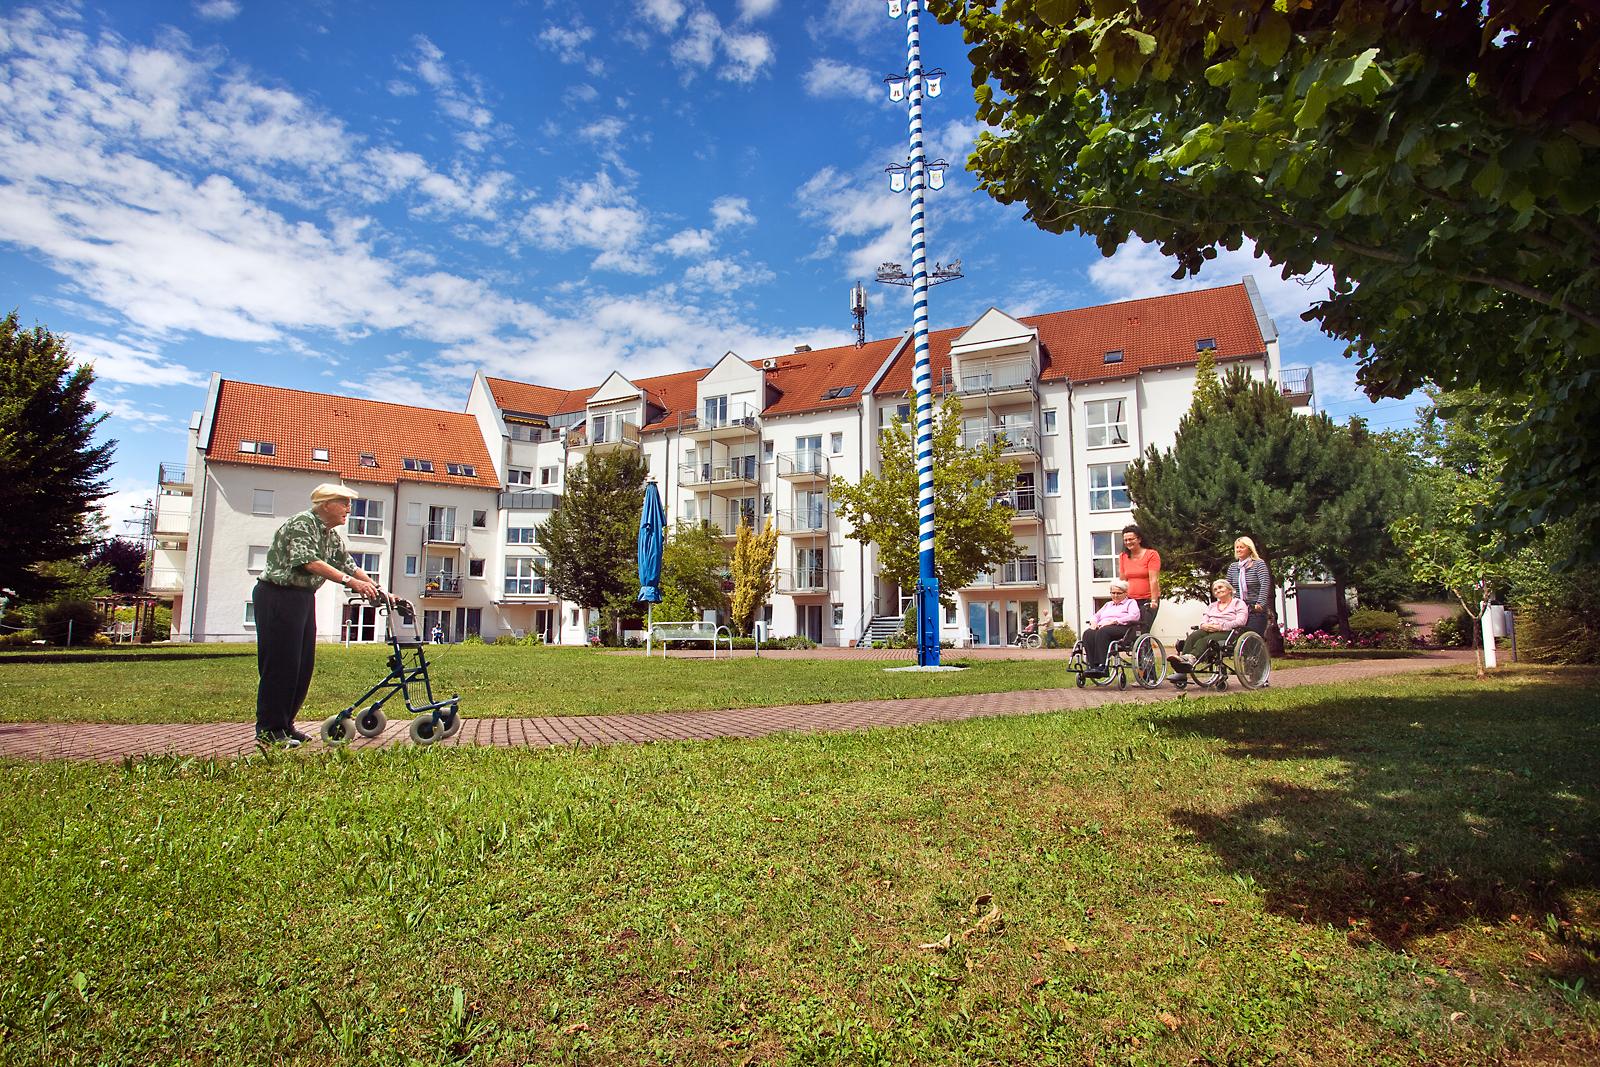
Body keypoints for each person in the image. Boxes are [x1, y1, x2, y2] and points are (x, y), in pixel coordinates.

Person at [253, 483, 383, 747]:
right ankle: (269, 729)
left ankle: (285, 724)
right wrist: (351, 582)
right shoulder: (303, 523)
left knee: (301, 666)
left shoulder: (329, 535)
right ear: (326, 504)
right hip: (277, 595)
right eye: (344, 503)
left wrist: (380, 590)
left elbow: (349, 565)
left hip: (301, 598)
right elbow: (309, 562)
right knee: (280, 664)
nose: (349, 509)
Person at [1169, 578, 1248, 671]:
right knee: (1193, 637)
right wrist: (1204, 625)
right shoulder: (1212, 606)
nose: (1218, 590)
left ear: (1229, 589)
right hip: (1209, 629)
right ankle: (1181, 664)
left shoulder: (1238, 603)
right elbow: (1204, 620)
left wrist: (1221, 626)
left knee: (1204, 641)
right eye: (1215, 589)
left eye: (1220, 587)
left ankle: (1190, 659)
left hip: (1228, 632)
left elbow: (1241, 621)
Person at [1080, 579, 1142, 676]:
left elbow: (1134, 616)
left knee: (1103, 632)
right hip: (1104, 628)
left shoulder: (1130, 603)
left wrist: (1114, 621)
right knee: (1088, 633)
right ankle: (1092, 666)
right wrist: (1093, 623)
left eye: (1118, 593)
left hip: (1122, 628)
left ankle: (1102, 666)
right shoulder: (1108, 604)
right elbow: (1096, 615)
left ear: (1125, 593)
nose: (1115, 595)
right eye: (1113, 593)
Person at [1226, 536, 1273, 638]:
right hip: (1238, 607)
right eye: (1237, 547)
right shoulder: (1233, 567)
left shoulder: (1258, 564)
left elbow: (1265, 583)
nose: (1238, 550)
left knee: (1252, 637)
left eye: (1241, 547)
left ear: (1249, 549)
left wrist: (1260, 603)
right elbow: (1227, 588)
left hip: (1254, 607)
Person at [1118, 525, 1162, 632]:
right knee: (1131, 631)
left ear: (1139, 539)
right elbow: (1123, 581)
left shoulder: (1151, 555)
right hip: (1130, 600)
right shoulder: (1123, 556)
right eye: (1125, 540)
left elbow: (1153, 580)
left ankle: (1145, 648)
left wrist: (1154, 600)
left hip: (1147, 600)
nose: (1128, 542)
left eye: (1131, 539)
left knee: (1143, 629)